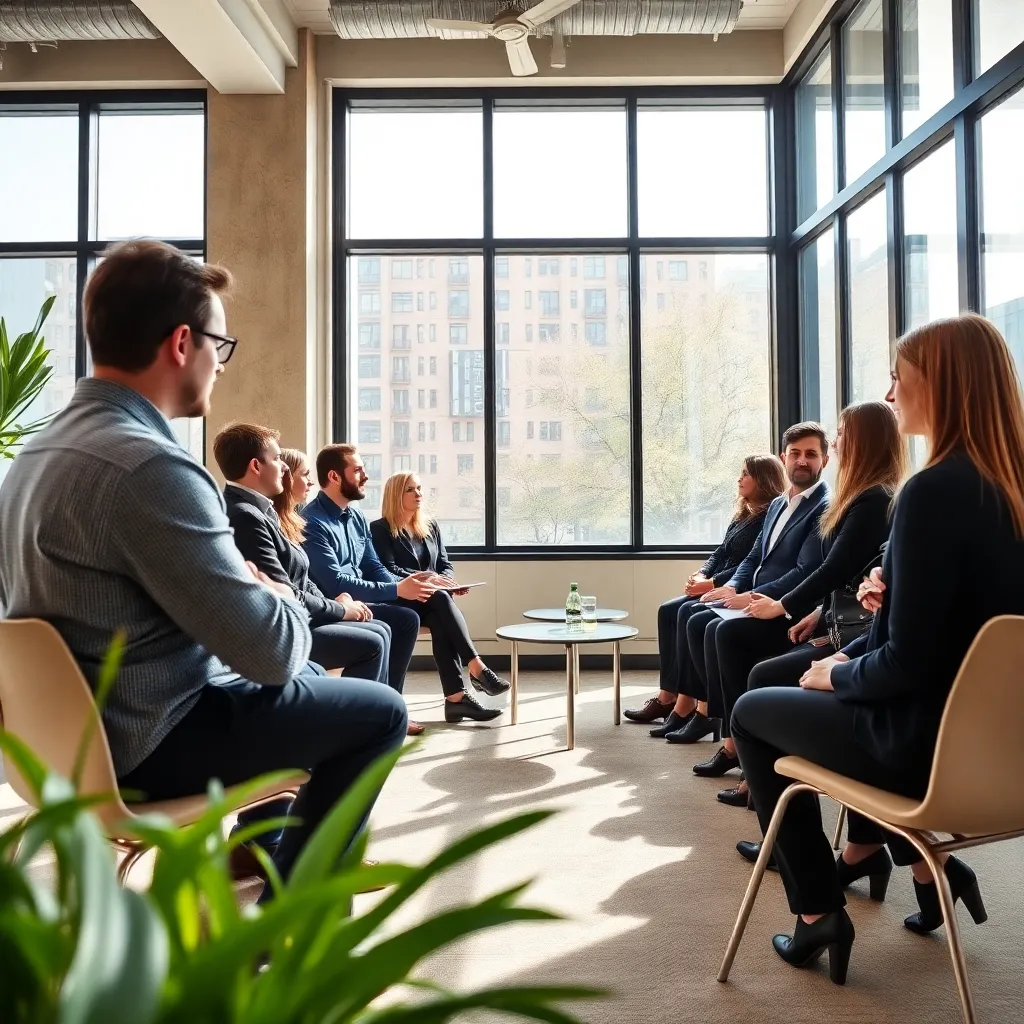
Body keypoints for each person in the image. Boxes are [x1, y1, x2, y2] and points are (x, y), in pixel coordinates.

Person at [0, 240, 407, 893]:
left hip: (68, 751)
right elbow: (269, 653)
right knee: (380, 711)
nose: (221, 363)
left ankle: (269, 852)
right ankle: (286, 924)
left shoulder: (35, 457)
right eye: (221, 343)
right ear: (183, 343)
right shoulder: (151, 469)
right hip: (150, 743)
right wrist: (273, 592)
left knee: (309, 679)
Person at [731, 314, 1024, 985]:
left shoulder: (932, 491)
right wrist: (890, 602)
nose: (891, 396)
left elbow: (905, 667)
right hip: (1003, 750)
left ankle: (816, 914)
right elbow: (979, 623)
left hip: (922, 747)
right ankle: (899, 860)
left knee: (752, 709)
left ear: (940, 384)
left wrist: (837, 674)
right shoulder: (1006, 486)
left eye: (900, 378)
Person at [710, 401, 905, 808]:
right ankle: (755, 778)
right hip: (838, 624)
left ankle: (767, 799)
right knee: (731, 641)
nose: (835, 441)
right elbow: (853, 576)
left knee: (761, 676)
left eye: (840, 434)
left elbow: (831, 570)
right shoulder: (861, 495)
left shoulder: (873, 499)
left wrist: (783, 606)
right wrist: (816, 612)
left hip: (855, 637)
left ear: (860, 442)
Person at [667, 423, 831, 764]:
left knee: (720, 630)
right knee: (697, 619)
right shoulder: (777, 505)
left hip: (786, 607)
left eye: (811, 454)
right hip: (754, 595)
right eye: (796, 453)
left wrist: (754, 594)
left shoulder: (824, 508)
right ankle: (725, 730)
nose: (803, 461)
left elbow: (804, 571)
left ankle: (731, 742)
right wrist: (731, 587)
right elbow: (754, 557)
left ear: (824, 460)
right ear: (784, 458)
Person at [301, 444, 502, 723]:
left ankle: (408, 706)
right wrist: (398, 589)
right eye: (358, 470)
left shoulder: (357, 518)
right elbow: (336, 583)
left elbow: (373, 567)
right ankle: (405, 704)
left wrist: (408, 584)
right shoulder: (313, 521)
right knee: (410, 617)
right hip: (339, 605)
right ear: (335, 477)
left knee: (434, 601)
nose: (365, 476)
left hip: (367, 597)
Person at [213, 422, 401, 694]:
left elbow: (299, 577)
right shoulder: (245, 516)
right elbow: (283, 593)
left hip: (301, 615)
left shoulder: (261, 510)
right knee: (372, 641)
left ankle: (373, 716)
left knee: (381, 629)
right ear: (256, 466)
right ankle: (360, 724)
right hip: (278, 633)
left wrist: (335, 603)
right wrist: (341, 610)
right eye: (277, 459)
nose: (284, 467)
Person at [624, 454, 786, 728]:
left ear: (764, 479)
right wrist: (702, 573)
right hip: (716, 583)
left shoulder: (769, 515)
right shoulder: (744, 513)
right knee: (667, 610)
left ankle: (693, 705)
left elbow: (751, 563)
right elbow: (720, 551)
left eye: (746, 474)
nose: (739, 478)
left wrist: (711, 584)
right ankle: (668, 696)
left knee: (687, 613)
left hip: (737, 587)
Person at [370, 472, 507, 721]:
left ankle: (457, 699)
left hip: (433, 599)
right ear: (396, 495)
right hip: (402, 599)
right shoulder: (379, 529)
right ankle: (475, 671)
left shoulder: (430, 526)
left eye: (419, 488)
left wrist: (449, 582)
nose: (418, 494)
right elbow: (389, 570)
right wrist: (431, 580)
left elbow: (444, 563)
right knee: (442, 602)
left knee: (442, 606)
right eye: (410, 489)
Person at [273, 447, 316, 539]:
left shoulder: (299, 516)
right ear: (286, 477)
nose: (311, 482)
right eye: (305, 474)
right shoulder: (272, 522)